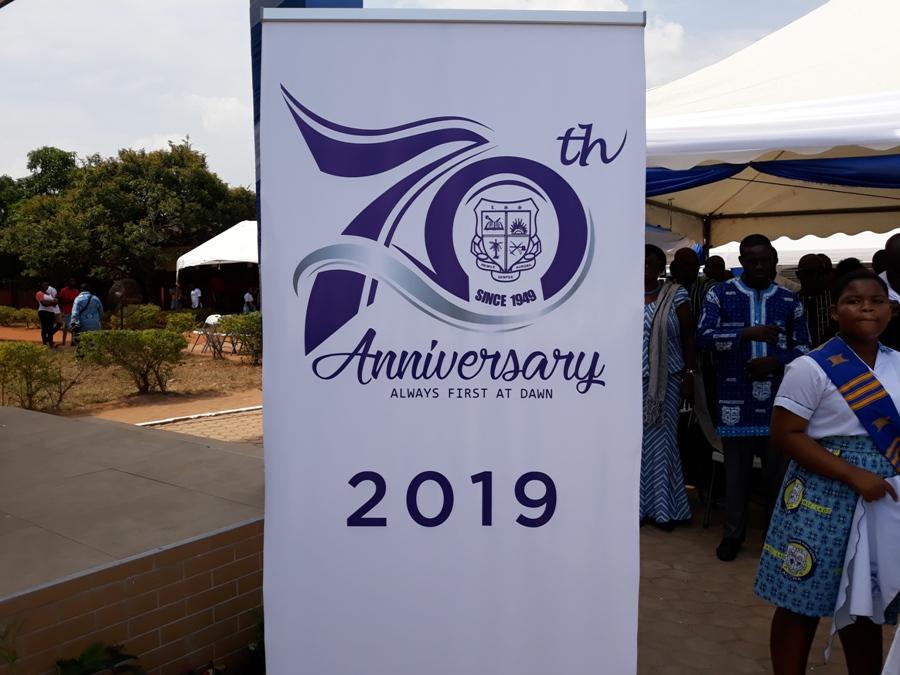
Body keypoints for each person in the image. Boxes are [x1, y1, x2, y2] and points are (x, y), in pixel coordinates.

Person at [754, 270, 899, 675]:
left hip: (882, 498)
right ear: (835, 312)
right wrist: (853, 475)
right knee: (801, 601)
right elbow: (787, 434)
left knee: (865, 601)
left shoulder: (899, 365)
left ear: (892, 310)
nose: (866, 307)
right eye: (854, 300)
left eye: (876, 300)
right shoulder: (810, 367)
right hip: (822, 495)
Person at [698, 234, 811, 561]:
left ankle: (774, 539)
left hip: (780, 402)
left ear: (775, 261)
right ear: (742, 262)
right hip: (735, 399)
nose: (760, 266)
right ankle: (733, 535)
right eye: (753, 260)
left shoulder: (790, 301)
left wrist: (776, 361)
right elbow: (704, 339)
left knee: (778, 475)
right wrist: (745, 334)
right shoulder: (720, 294)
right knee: (737, 475)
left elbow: (805, 349)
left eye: (766, 260)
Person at [641, 244, 696, 530]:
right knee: (636, 445)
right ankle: (638, 508)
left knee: (663, 443)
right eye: (641, 262)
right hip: (630, 384)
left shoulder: (676, 295)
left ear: (662, 268)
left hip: (667, 381)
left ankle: (665, 510)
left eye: (652, 263)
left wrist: (689, 374)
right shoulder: (622, 296)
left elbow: (689, 337)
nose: (646, 267)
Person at [795, 254, 835, 348]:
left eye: (820, 272)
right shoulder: (792, 302)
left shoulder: (835, 299)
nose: (815, 277)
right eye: (809, 273)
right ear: (799, 275)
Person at [35, 281, 61, 347]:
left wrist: (51, 302)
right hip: (43, 312)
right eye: (44, 285)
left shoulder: (49, 294)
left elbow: (56, 303)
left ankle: (51, 342)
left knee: (50, 328)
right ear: (41, 285)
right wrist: (52, 302)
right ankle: (44, 343)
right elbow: (44, 304)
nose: (46, 286)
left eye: (47, 285)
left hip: (51, 312)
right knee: (44, 328)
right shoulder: (39, 293)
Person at [57, 278, 80, 347]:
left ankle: (73, 342)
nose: (73, 283)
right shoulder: (64, 290)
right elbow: (60, 300)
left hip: (75, 312)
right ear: (68, 282)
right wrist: (69, 301)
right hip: (67, 311)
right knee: (66, 326)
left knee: (74, 326)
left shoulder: (76, 291)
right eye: (71, 281)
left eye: (74, 281)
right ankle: (63, 342)